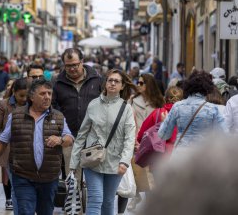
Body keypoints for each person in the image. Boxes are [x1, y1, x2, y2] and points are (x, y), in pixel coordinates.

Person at [0, 79, 74, 215]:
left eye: (49, 93)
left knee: (45, 212)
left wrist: (60, 140)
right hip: (23, 176)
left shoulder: (58, 116)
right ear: (32, 97)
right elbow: (3, 140)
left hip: (49, 178)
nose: (47, 97)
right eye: (43, 94)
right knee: (25, 211)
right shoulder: (16, 116)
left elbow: (69, 139)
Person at [69, 69, 136, 215]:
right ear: (105, 83)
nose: (112, 83)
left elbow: (130, 138)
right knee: (95, 199)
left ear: (122, 86)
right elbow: (82, 135)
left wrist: (124, 161)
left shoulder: (126, 108)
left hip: (115, 162)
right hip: (93, 161)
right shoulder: (93, 105)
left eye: (116, 81)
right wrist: (74, 163)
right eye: (109, 80)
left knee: (108, 201)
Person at [141, 135, 238, 215]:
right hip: (207, 157)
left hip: (179, 156)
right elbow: (223, 131)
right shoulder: (213, 111)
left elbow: (163, 133)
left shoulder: (173, 111)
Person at [52, 48, 103, 176]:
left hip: (94, 138)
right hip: (69, 138)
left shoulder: (97, 80)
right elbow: (52, 108)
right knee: (72, 181)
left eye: (75, 65)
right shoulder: (57, 83)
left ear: (82, 61)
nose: (72, 68)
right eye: (68, 66)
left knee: (94, 179)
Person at [158, 70, 226, 157]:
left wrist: (164, 121)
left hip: (180, 156)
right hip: (202, 157)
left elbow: (163, 135)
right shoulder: (213, 109)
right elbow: (224, 135)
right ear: (207, 89)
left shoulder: (177, 107)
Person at [0, 78, 28, 212]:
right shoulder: (4, 104)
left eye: (27, 95)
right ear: (13, 92)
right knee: (16, 187)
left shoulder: (35, 104)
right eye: (21, 95)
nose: (25, 99)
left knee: (27, 189)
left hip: (29, 153)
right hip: (10, 153)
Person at [128, 73, 165, 210]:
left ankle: (151, 202)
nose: (138, 85)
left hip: (153, 141)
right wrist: (133, 139)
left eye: (142, 83)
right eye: (138, 82)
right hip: (136, 140)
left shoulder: (159, 101)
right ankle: (135, 195)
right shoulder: (132, 100)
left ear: (149, 85)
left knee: (151, 172)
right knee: (135, 169)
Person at [137, 86, 183, 164]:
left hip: (158, 160)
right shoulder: (187, 115)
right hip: (181, 159)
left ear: (165, 98)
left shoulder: (157, 113)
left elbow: (141, 136)